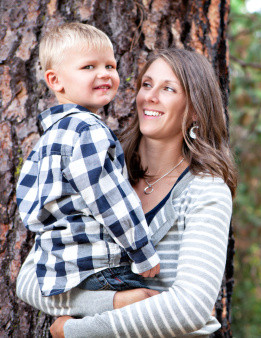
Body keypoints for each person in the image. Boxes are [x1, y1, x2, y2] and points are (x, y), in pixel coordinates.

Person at [16, 48, 237, 337]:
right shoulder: (96, 166)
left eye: (168, 88)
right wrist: (118, 300)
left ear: (195, 108)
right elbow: (30, 282)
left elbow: (189, 308)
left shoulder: (204, 190)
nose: (150, 97)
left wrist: (76, 330)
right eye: (147, 84)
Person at [16, 22, 161, 298]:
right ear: (55, 80)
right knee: (163, 314)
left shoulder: (47, 140)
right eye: (89, 67)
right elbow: (109, 198)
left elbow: (30, 205)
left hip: (63, 271)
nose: (104, 74)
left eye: (110, 66)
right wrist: (142, 252)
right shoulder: (88, 131)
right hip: (102, 266)